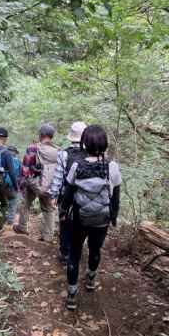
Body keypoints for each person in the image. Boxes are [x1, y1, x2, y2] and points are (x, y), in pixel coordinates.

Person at [60, 125, 121, 310]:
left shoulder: (78, 165)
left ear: (84, 143)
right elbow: (115, 196)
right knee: (95, 250)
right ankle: (91, 279)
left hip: (79, 218)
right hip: (101, 219)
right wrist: (114, 217)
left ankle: (71, 295)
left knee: (75, 253)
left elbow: (68, 193)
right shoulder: (112, 166)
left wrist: (63, 212)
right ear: (104, 144)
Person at [49, 121, 87, 265]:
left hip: (66, 196)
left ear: (71, 137)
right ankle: (76, 251)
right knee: (81, 224)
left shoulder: (64, 154)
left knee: (65, 223)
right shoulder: (90, 153)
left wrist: (53, 195)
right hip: (85, 197)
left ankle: (65, 252)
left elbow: (58, 177)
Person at [13, 124, 58, 242]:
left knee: (26, 203)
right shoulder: (58, 151)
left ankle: (22, 227)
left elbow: (25, 169)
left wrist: (22, 184)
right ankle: (47, 236)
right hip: (49, 185)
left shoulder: (33, 148)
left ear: (41, 134)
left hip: (33, 182)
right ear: (52, 136)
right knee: (49, 209)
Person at [4, 145, 22, 225]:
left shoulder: (3, 160)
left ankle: (2, 220)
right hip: (14, 185)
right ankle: (10, 220)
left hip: (3, 184)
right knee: (13, 203)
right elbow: (21, 174)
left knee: (4, 203)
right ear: (15, 153)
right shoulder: (18, 162)